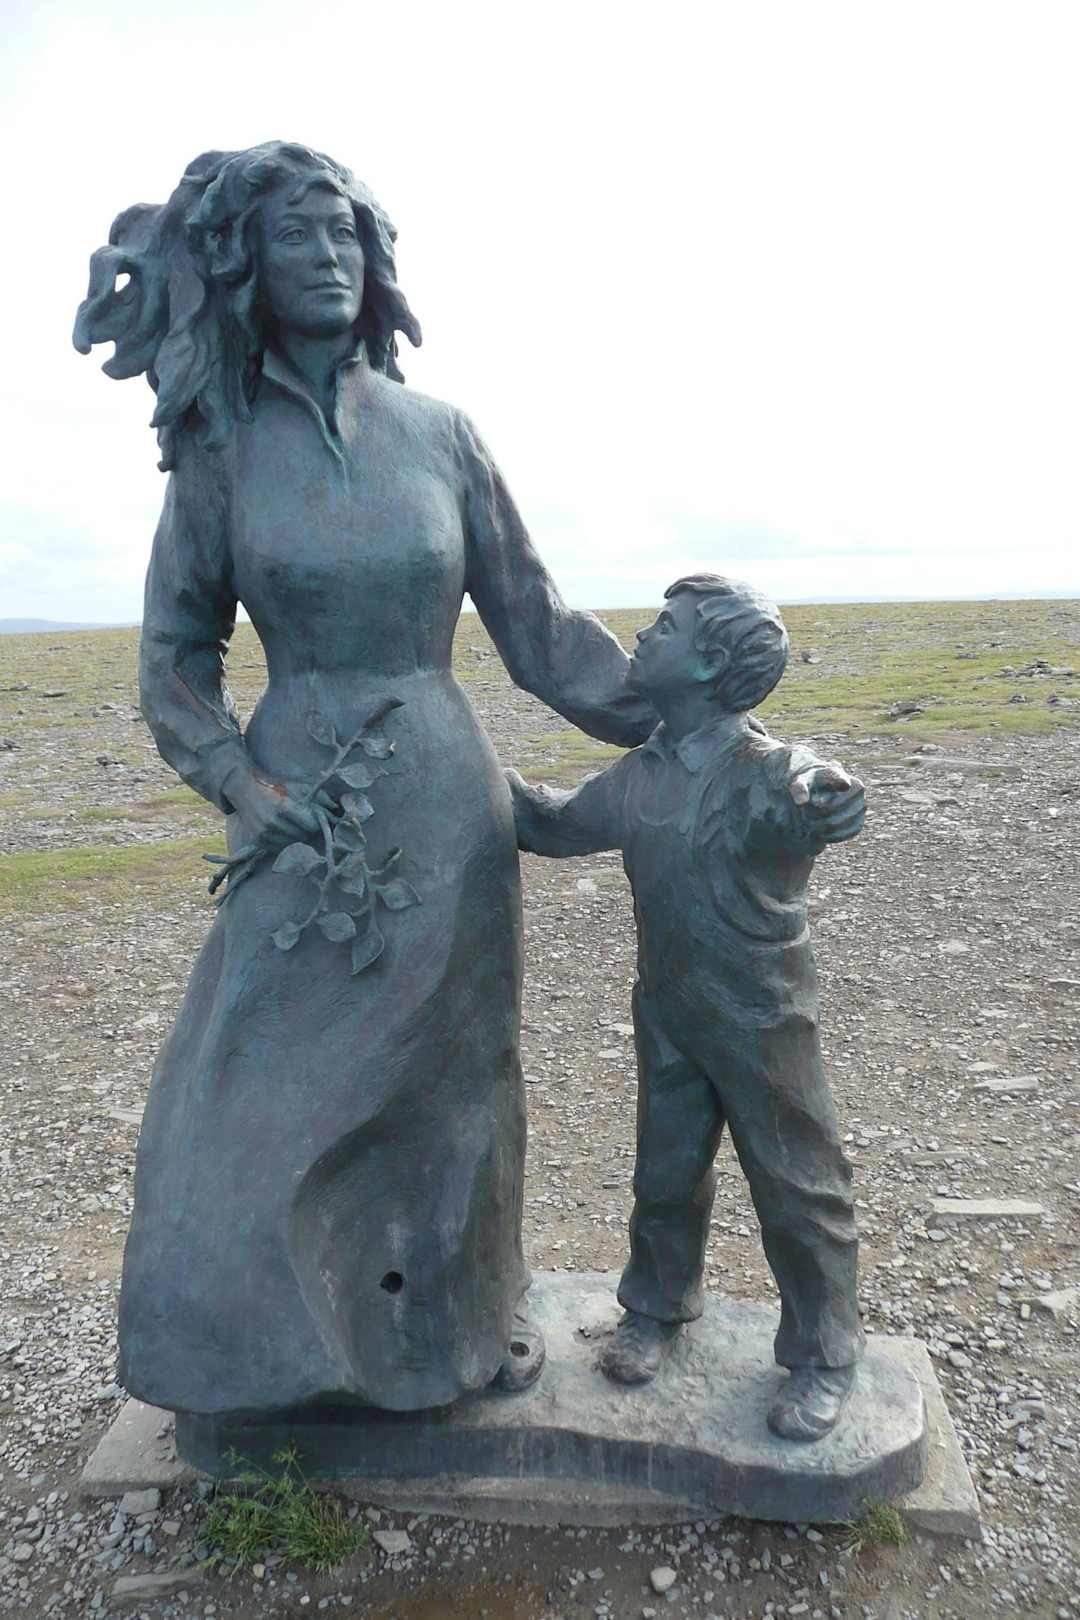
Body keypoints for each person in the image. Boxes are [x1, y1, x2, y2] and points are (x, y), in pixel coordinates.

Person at [75, 144, 861, 1424]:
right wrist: (236, 782)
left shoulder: (442, 437)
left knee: (452, 1090)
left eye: (344, 233)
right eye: (294, 235)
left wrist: (705, 722)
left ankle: (452, 1335)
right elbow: (174, 658)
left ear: (374, 259)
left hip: (448, 809)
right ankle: (256, 1357)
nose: (326, 257)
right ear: (248, 265)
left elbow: (541, 631)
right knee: (251, 1077)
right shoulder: (219, 450)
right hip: (299, 816)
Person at [506, 575, 866, 1440]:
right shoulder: (644, 773)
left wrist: (828, 792)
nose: (643, 635)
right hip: (667, 1010)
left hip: (763, 1019)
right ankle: (656, 1308)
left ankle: (824, 1353)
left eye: (665, 627)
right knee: (665, 1174)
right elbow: (554, 825)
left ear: (711, 664)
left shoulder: (767, 772)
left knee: (797, 1182)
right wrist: (466, 773)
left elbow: (812, 787)